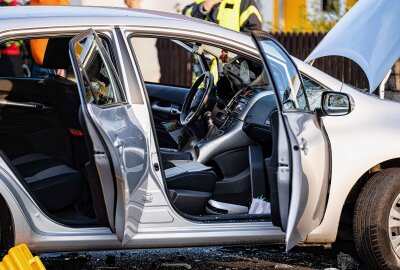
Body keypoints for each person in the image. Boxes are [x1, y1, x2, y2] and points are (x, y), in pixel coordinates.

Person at [29, 0, 70, 77]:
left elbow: (65, 33)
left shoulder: (60, 4)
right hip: (36, 63)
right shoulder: (33, 3)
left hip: (54, 67)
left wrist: (61, 65)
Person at [183, 0, 262, 33]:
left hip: (231, 64)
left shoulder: (243, 1)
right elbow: (186, 18)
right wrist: (205, 6)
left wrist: (232, 51)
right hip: (203, 62)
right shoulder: (202, 1)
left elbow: (254, 29)